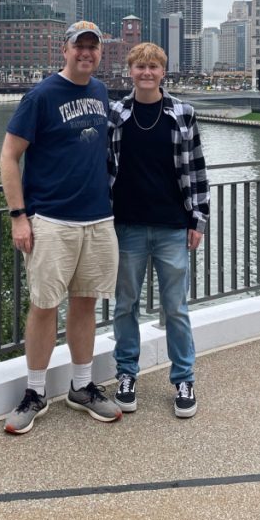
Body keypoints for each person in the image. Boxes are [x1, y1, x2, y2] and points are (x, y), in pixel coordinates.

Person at [0, 20, 122, 434]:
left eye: (93, 48)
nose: (86, 53)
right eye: (79, 47)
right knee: (44, 306)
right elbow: (8, 156)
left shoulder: (101, 92)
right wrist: (19, 215)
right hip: (50, 220)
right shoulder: (41, 96)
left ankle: (82, 386)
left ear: (99, 54)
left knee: (85, 302)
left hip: (98, 218)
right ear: (64, 50)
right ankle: (35, 392)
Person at [108, 42, 210, 418]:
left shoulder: (182, 113)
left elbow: (197, 170)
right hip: (127, 226)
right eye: (140, 67)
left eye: (153, 67)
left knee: (176, 308)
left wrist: (197, 219)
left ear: (163, 72)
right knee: (125, 306)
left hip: (171, 227)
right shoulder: (115, 113)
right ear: (130, 71)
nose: (146, 73)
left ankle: (184, 378)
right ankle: (126, 374)